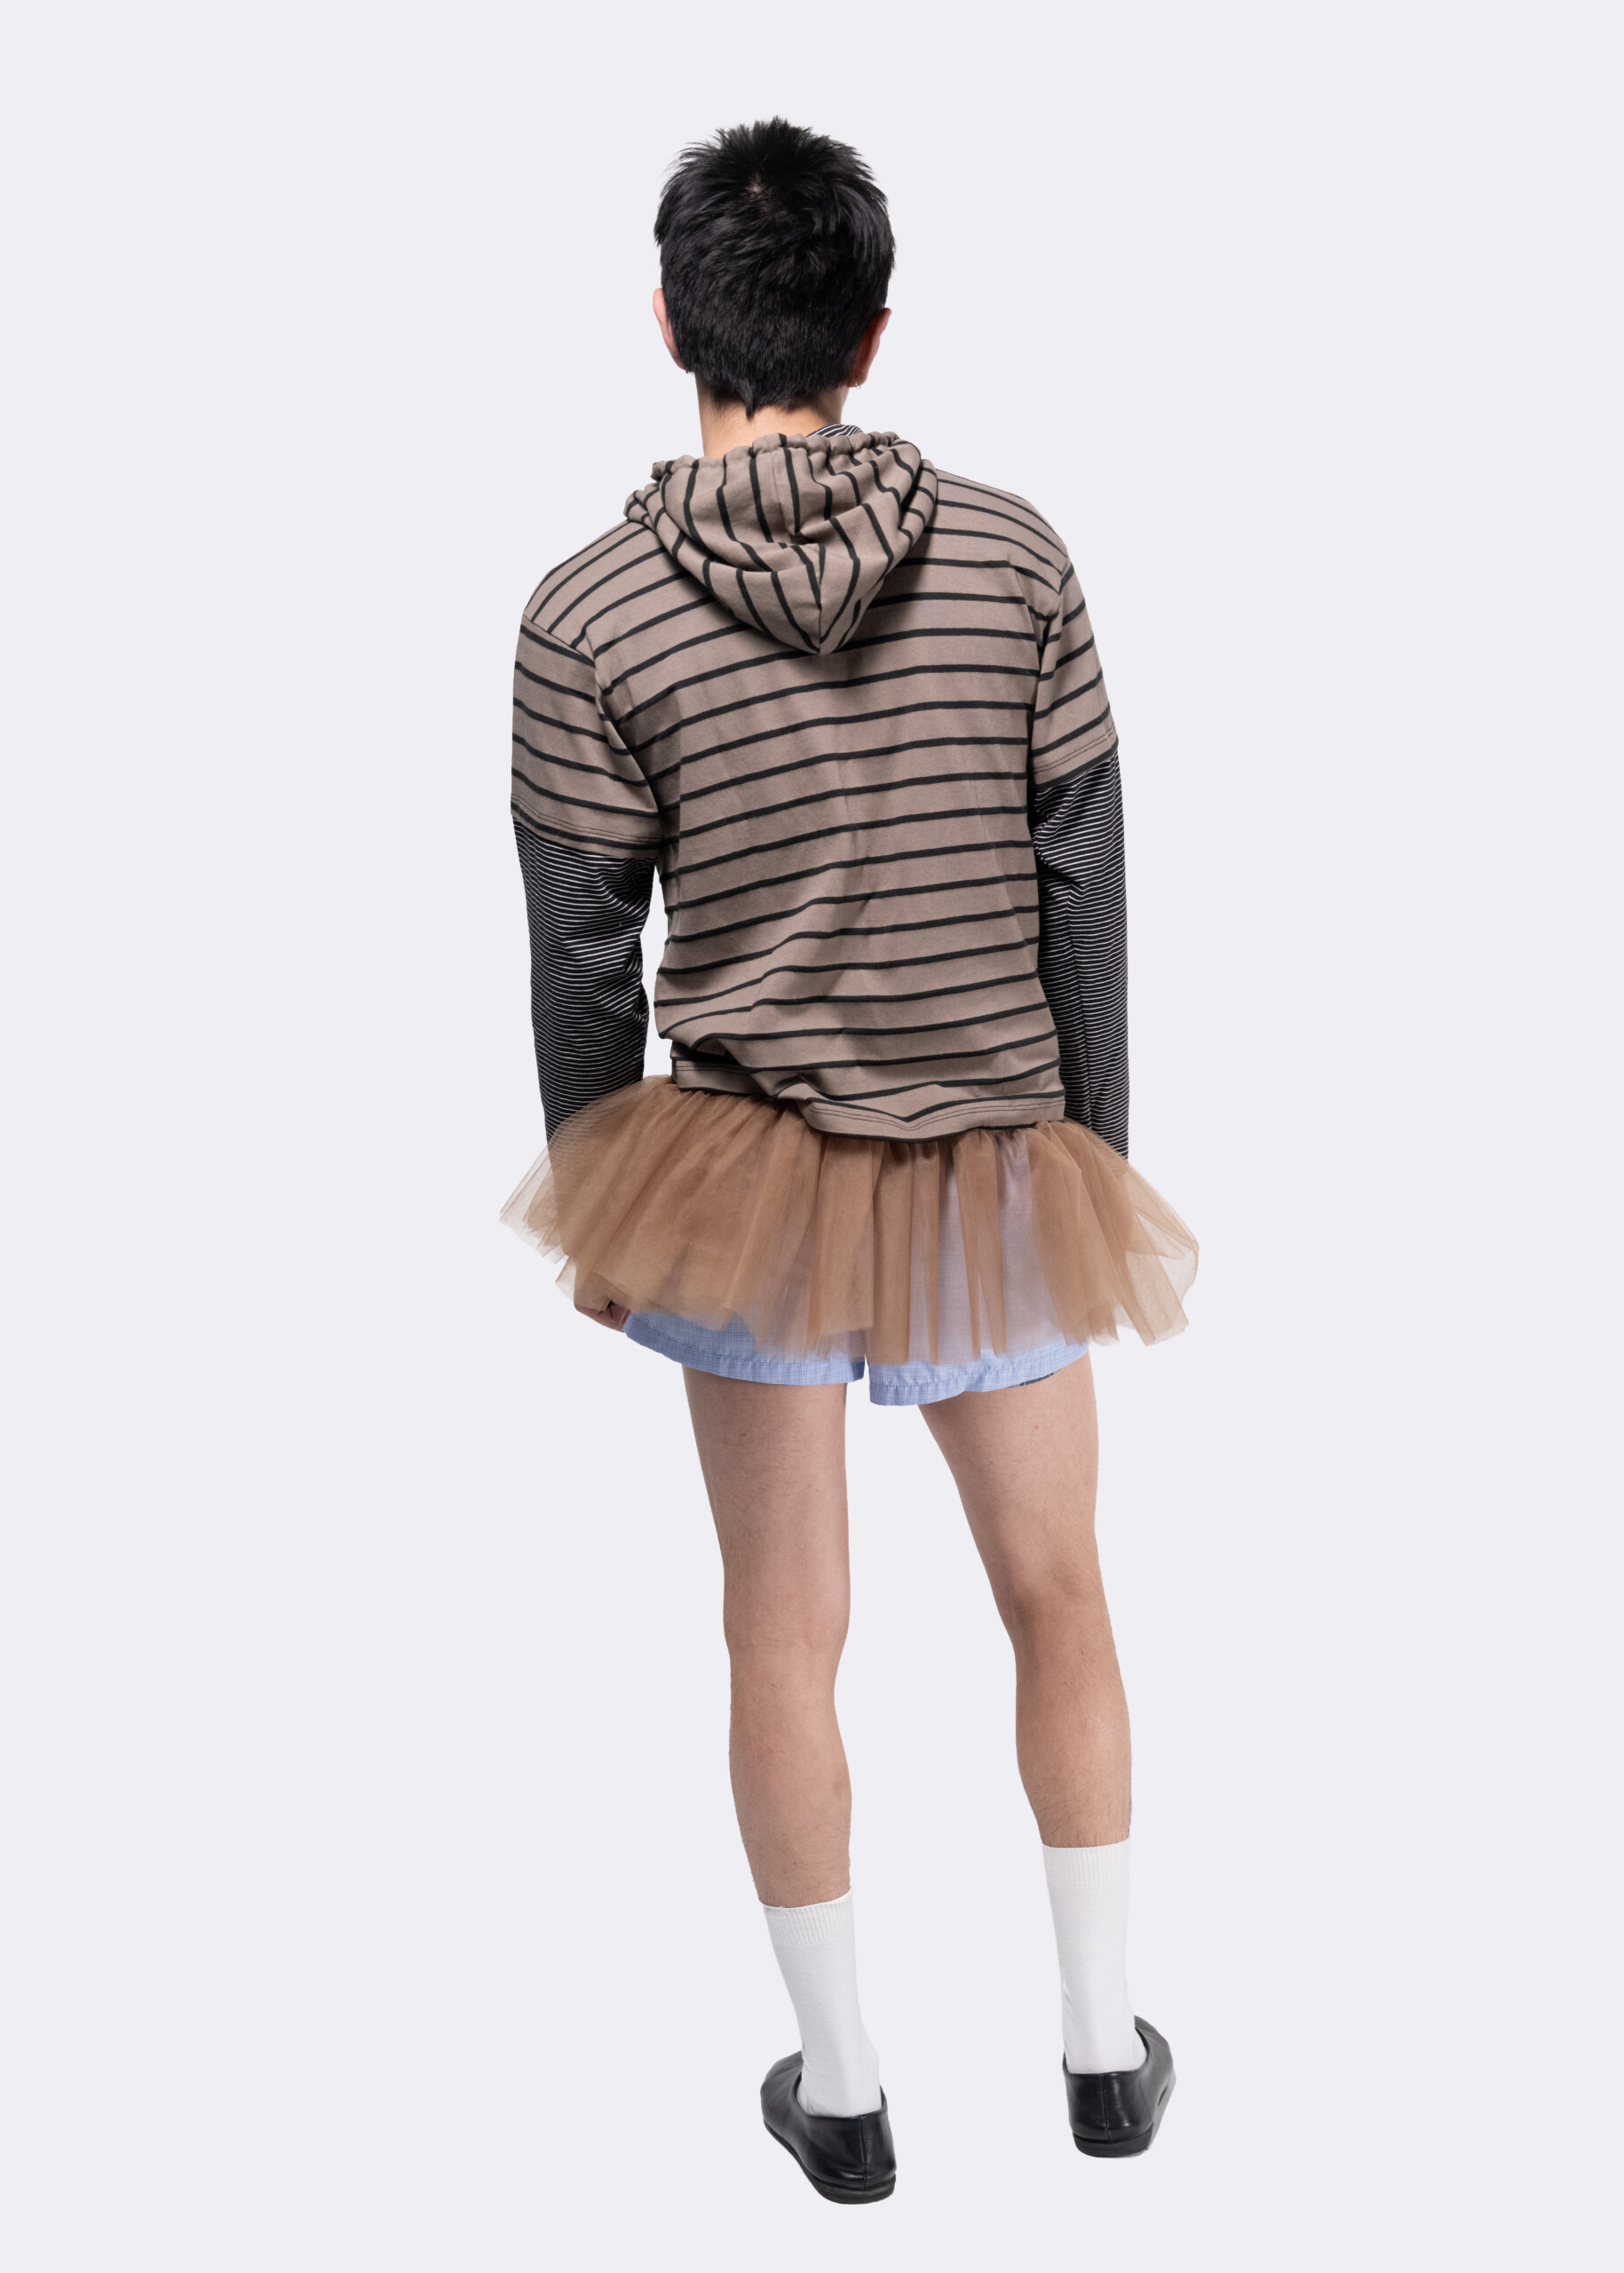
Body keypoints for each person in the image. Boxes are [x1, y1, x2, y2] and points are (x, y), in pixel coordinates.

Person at [501, 118, 1197, 2202]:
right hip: (996, 1154)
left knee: (781, 1629)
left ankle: (846, 2089)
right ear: (875, 332)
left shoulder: (584, 615)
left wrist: (596, 1197)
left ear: (669, 324)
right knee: (1060, 1592)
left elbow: (580, 947)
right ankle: (1102, 2055)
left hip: (744, 1181)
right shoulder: (1015, 556)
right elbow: (1086, 887)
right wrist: (1092, 1156)